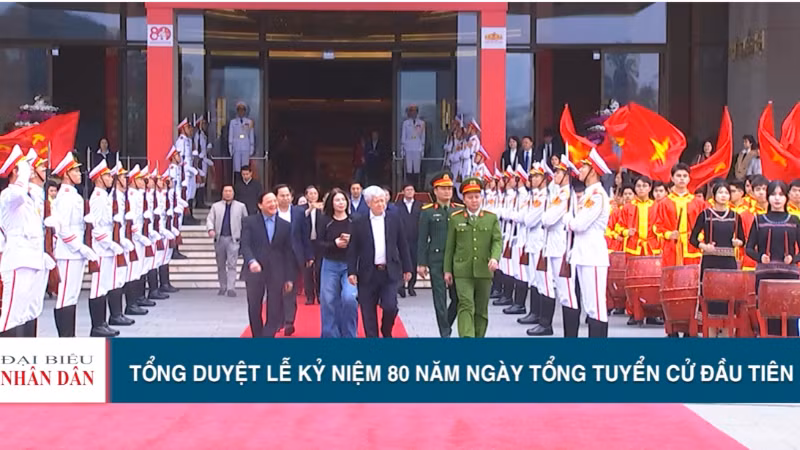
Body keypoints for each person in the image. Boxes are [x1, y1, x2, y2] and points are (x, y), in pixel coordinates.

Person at [0, 146, 54, 337]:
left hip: (31, 259)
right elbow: (18, 194)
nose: (30, 170)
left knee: (25, 313)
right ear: (15, 171)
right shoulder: (9, 194)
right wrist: (22, 174)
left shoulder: (29, 198)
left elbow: (35, 232)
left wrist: (43, 255)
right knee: (11, 315)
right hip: (17, 259)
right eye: (24, 167)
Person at [347, 185, 412, 338]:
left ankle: (386, 329)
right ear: (368, 203)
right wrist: (351, 271)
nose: (380, 205)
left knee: (390, 306)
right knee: (368, 312)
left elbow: (402, 244)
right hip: (367, 273)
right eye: (376, 201)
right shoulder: (359, 221)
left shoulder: (394, 219)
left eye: (383, 201)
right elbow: (353, 248)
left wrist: (408, 268)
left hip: (389, 272)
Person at [443, 177, 502, 337]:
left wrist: (495, 258)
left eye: (477, 196)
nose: (474, 200)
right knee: (466, 305)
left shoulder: (491, 218)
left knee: (481, 309)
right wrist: (447, 270)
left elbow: (497, 241)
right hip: (462, 270)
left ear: (481, 197)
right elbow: (450, 246)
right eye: (470, 197)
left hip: (484, 269)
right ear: (464, 199)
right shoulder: (456, 218)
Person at [564, 149, 613, 337]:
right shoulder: (588, 193)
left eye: (584, 167)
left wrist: (568, 220)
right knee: (590, 304)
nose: (580, 170)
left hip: (593, 254)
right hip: (584, 253)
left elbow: (580, 224)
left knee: (596, 306)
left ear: (593, 171)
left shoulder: (597, 195)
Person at [689, 181, 745, 336]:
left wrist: (738, 242)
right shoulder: (705, 215)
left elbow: (743, 240)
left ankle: (727, 336)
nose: (723, 195)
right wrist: (704, 246)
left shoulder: (735, 216)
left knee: (729, 298)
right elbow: (692, 239)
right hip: (710, 262)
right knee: (711, 299)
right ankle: (711, 335)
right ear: (714, 196)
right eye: (720, 192)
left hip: (729, 262)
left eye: (726, 193)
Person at [745, 180, 800, 336]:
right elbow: (748, 248)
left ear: (786, 197)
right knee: (768, 318)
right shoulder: (759, 220)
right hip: (765, 275)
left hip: (789, 276)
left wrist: (794, 259)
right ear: (768, 197)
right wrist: (760, 257)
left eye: (781, 195)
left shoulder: (794, 220)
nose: (777, 199)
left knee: (790, 317)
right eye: (773, 195)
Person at [528, 156, 574, 337]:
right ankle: (544, 322)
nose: (555, 174)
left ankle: (547, 323)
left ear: (567, 175)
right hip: (549, 243)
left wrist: (546, 218)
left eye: (559, 172)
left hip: (558, 244)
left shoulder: (564, 195)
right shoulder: (556, 194)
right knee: (543, 282)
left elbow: (547, 219)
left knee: (559, 289)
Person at [241, 192, 295, 338]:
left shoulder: (285, 225)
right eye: (269, 202)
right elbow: (245, 245)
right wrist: (251, 261)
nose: (273, 204)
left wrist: (289, 278)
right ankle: (257, 336)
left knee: (274, 307)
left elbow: (288, 253)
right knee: (254, 306)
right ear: (260, 205)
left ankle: (267, 336)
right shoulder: (249, 222)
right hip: (255, 271)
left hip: (277, 271)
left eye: (274, 201)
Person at [417, 172, 462, 337]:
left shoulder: (459, 210)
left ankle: (447, 324)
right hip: (436, 259)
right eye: (443, 188)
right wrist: (421, 263)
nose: (447, 192)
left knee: (458, 298)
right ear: (435, 191)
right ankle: (444, 333)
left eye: (449, 188)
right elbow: (422, 238)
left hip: (456, 260)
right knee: (440, 299)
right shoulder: (428, 211)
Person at [85, 159, 122, 337]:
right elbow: (96, 227)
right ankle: (97, 325)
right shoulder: (98, 198)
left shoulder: (105, 196)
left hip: (106, 247)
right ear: (99, 178)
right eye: (107, 175)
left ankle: (102, 322)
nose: (110, 178)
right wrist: (109, 244)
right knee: (98, 286)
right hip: (100, 248)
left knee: (104, 285)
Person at [317, 188, 358, 337]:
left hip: (350, 265)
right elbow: (318, 244)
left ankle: (349, 335)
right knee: (328, 300)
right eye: (337, 200)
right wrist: (334, 243)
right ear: (331, 203)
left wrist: (351, 241)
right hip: (330, 264)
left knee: (349, 298)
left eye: (343, 200)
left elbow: (362, 243)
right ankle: (330, 335)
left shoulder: (355, 220)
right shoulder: (325, 221)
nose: (341, 203)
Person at [275, 184, 313, 336]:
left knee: (290, 288)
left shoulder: (298, 213)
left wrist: (309, 255)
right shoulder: (271, 211)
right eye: (281, 195)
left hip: (293, 255)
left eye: (287, 195)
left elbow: (305, 235)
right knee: (276, 288)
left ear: (291, 197)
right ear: (276, 197)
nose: (285, 198)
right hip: (276, 256)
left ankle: (289, 321)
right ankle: (278, 319)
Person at [654, 163, 707, 267]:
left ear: (689, 179)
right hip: (672, 246)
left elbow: (706, 224)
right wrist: (669, 234)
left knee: (692, 277)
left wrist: (700, 235)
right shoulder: (664, 203)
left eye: (685, 176)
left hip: (692, 246)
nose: (682, 179)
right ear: (672, 178)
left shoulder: (698, 203)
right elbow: (657, 226)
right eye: (678, 176)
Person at [207, 185, 248, 297]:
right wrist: (211, 229)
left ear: (233, 193)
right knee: (220, 265)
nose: (228, 193)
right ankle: (223, 286)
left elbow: (246, 222)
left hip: (233, 239)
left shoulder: (241, 206)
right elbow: (210, 219)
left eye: (230, 191)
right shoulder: (216, 206)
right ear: (222, 193)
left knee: (232, 264)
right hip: (220, 238)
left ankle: (231, 288)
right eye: (225, 191)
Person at [396, 182, 422, 298]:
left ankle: (411, 286)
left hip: (415, 239)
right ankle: (401, 287)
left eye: (411, 189)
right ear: (403, 192)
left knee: (413, 262)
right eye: (407, 190)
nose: (409, 192)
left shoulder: (420, 205)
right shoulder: (397, 206)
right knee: (401, 263)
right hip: (401, 240)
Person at [303, 185, 324, 305]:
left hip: (319, 243)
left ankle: (320, 294)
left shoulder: (322, 209)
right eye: (310, 194)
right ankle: (309, 296)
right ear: (306, 195)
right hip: (307, 243)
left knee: (320, 270)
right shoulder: (301, 209)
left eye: (315, 193)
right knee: (308, 271)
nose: (312, 196)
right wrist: (309, 210)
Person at [228, 101, 255, 181]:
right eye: (239, 110)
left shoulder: (249, 122)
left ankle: (245, 182)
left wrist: (251, 148)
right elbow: (231, 135)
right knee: (236, 168)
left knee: (245, 167)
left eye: (243, 110)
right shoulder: (233, 122)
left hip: (246, 146)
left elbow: (251, 135)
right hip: (236, 146)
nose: (241, 112)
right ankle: (237, 183)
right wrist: (230, 148)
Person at [401, 105, 426, 186]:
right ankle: (408, 185)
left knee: (416, 169)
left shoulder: (421, 123)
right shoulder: (406, 123)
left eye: (415, 111)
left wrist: (422, 150)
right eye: (411, 111)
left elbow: (423, 137)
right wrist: (402, 150)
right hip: (408, 148)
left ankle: (416, 186)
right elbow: (403, 137)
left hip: (417, 148)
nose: (413, 113)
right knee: (408, 169)